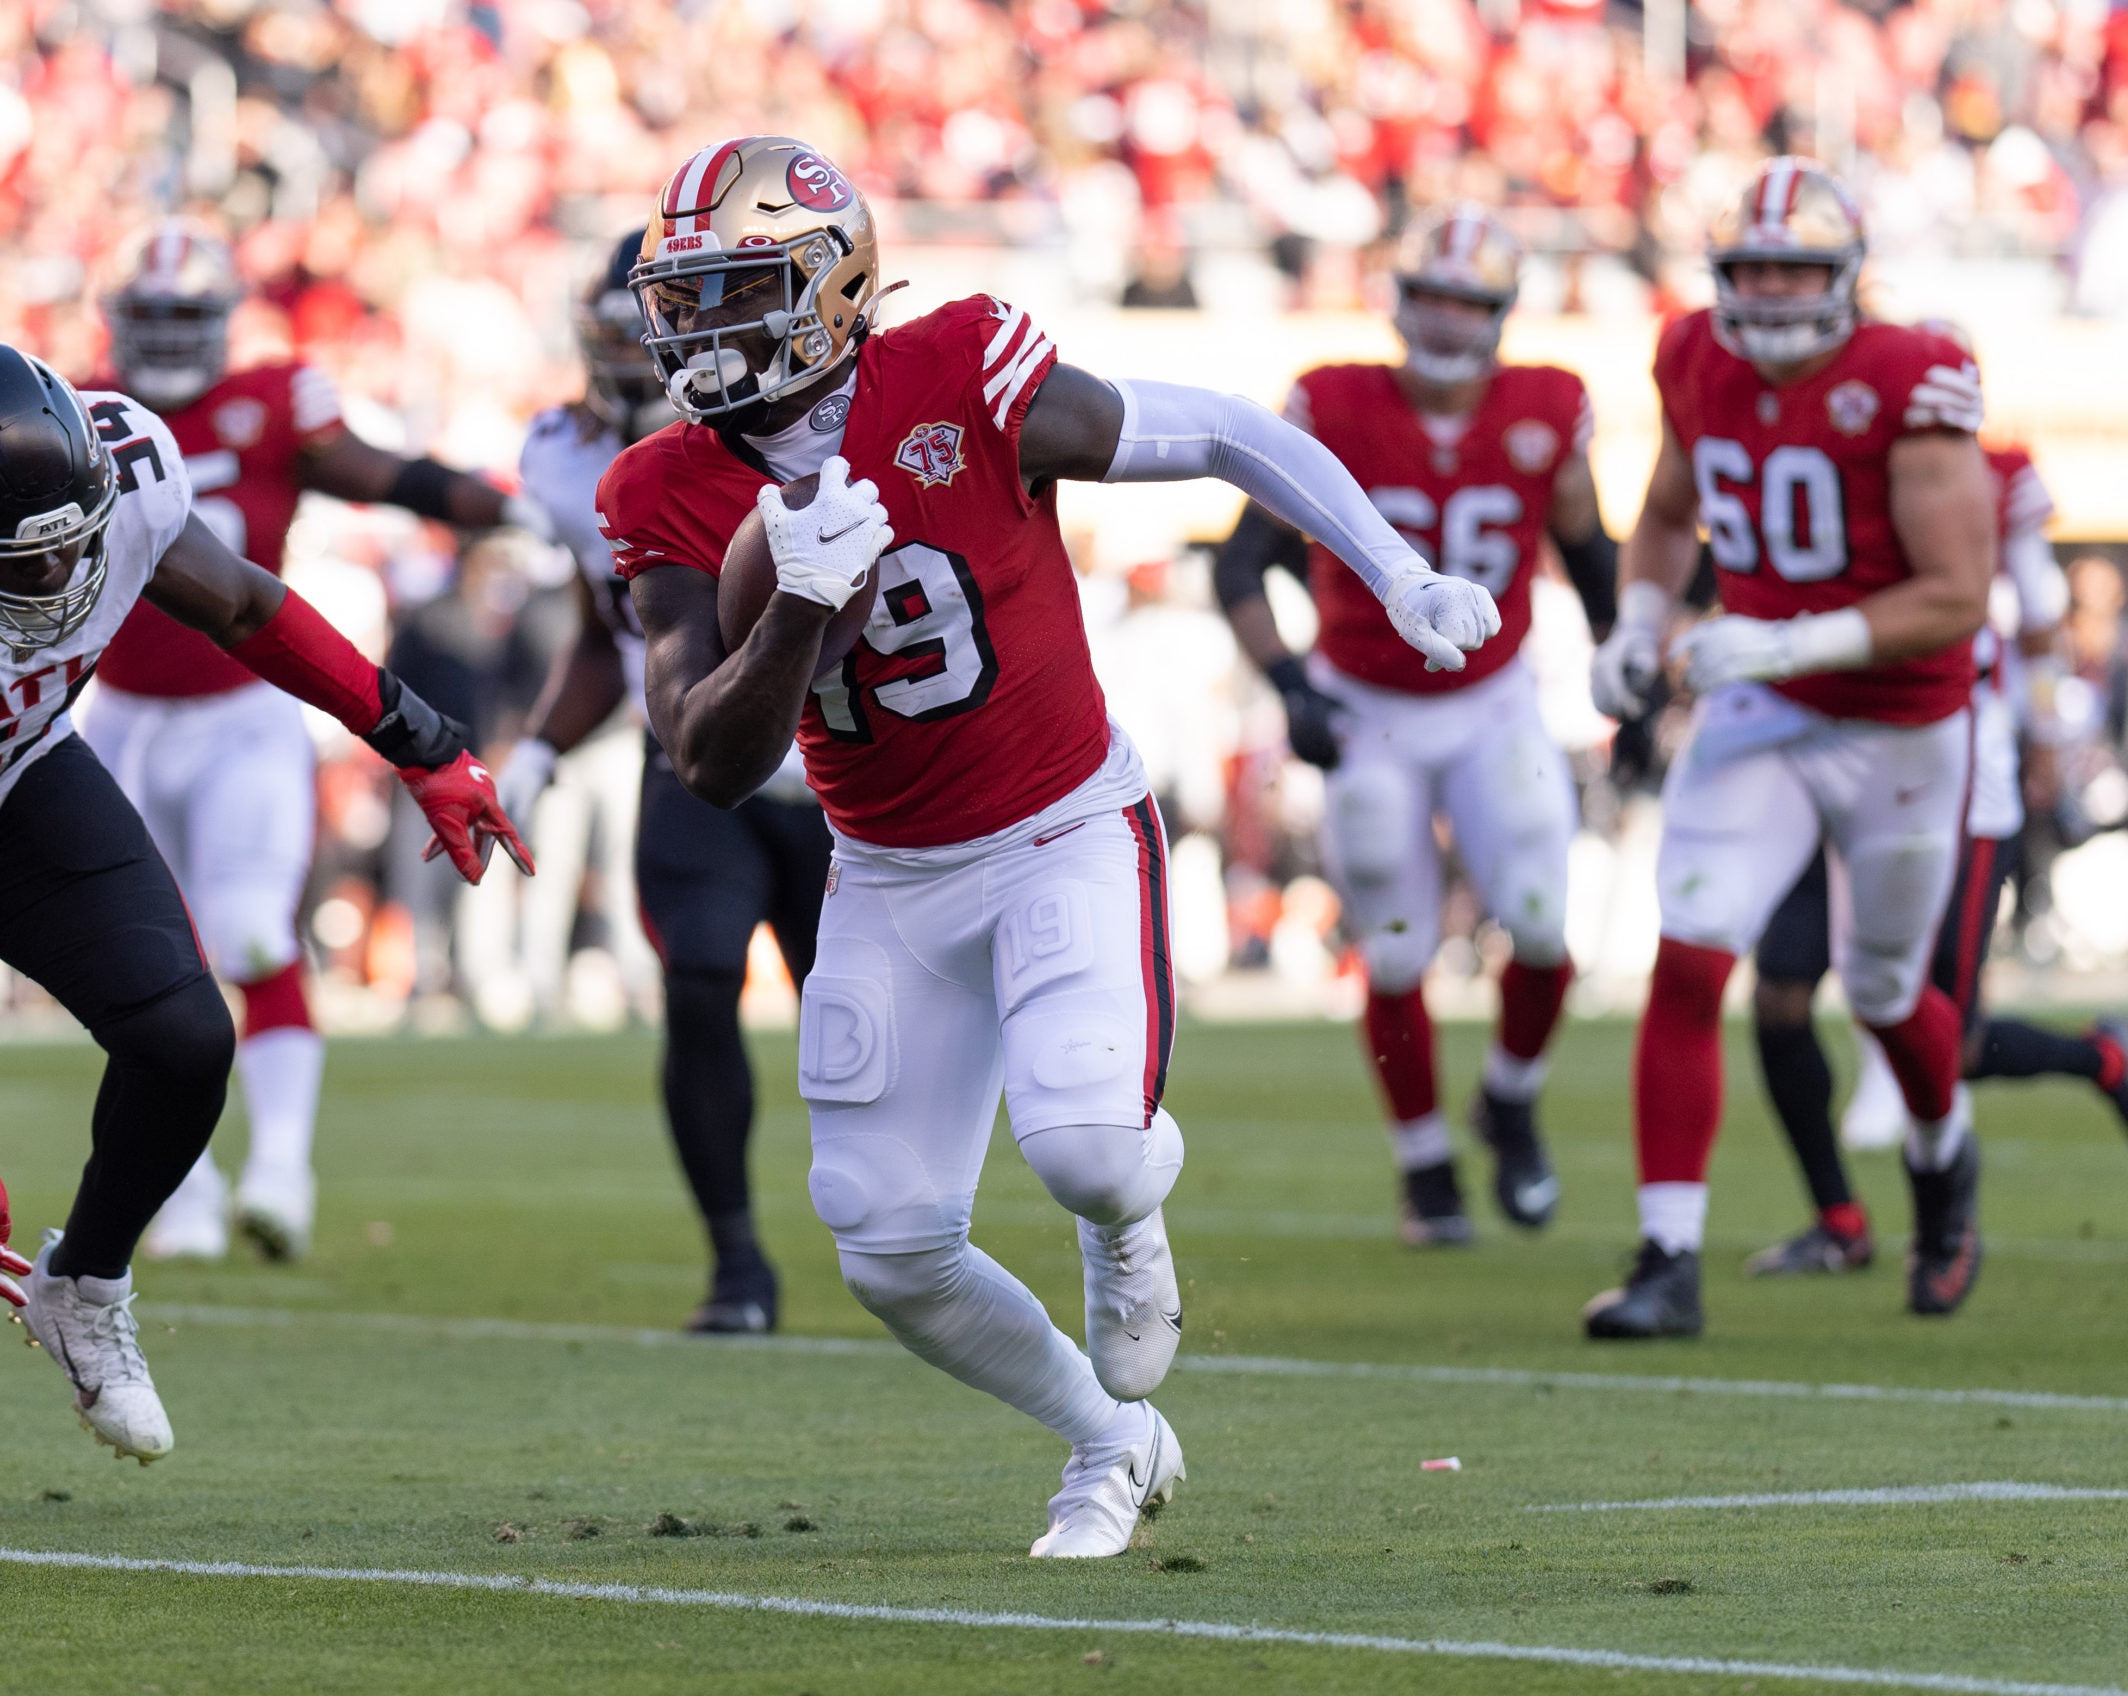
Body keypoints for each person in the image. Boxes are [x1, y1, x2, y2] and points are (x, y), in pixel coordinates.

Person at [602, 135, 1498, 1557]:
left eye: (739, 292)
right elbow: (708, 759)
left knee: (1086, 1150)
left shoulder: (958, 364)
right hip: (889, 876)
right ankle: (1107, 1438)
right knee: (886, 1241)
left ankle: (1127, 1209)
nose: (703, 333)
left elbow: (1218, 429)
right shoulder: (662, 484)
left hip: (1061, 824)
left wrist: (1393, 569)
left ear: (831, 286)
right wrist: (791, 608)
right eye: (687, 299)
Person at [0, 340, 527, 1508]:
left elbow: (246, 605)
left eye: (70, 546)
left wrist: (422, 740)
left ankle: (83, 1287)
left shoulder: (125, 463)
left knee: (187, 1038)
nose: (56, 581)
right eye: (20, 558)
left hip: (15, 778)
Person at [83, 221, 549, 1264]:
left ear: (220, 324)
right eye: (148, 315)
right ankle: (187, 1186)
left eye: (183, 316)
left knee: (248, 932)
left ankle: (283, 1164)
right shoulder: (78, 413)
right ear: (117, 322)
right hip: (117, 716)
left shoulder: (271, 405)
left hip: (242, 712)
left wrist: (512, 509)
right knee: (143, 965)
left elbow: (391, 479)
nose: (164, 336)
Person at [1584, 159, 1994, 1337]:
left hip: (1898, 716)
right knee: (1692, 953)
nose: (1766, 294)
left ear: (1845, 277)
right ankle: (1667, 1256)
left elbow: (1957, 594)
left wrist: (1787, 640)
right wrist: (1642, 623)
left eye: (1792, 271)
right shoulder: (1692, 359)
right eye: (1747, 270)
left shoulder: (1906, 378)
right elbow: (1665, 514)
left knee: (1877, 988)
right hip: (1766, 705)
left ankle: (1940, 1156)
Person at [1212, 206, 1617, 1247]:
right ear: (1398, 301)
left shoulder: (1546, 407)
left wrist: (1631, 670)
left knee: (1539, 925)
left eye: (1465, 301)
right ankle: (1424, 1165)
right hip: (1368, 706)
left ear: (1499, 313)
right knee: (1393, 950)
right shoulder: (1334, 402)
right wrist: (1291, 685)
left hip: (1493, 704)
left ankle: (1511, 1096)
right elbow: (1241, 563)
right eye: (1428, 296)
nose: (1443, 321)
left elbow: (1592, 553)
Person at [1746, 329, 2128, 1277]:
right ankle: (1840, 1220)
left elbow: (2040, 616)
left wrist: (2049, 741)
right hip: (1825, 751)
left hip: (1951, 765)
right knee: (1778, 993)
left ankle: (2103, 1062)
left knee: (1948, 1031)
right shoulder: (1823, 456)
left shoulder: (1992, 477)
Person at [501, 230, 827, 1333]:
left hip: (843, 761)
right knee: (696, 980)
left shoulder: (809, 419)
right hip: (694, 755)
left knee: (860, 1014)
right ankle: (736, 1262)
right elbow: (613, 633)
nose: (649, 360)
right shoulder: (567, 457)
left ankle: (912, 1230)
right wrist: (543, 745)